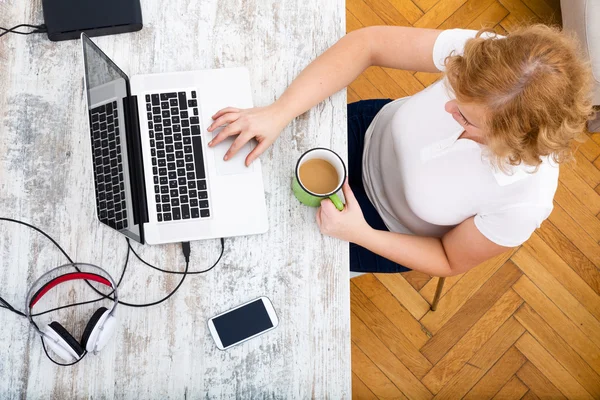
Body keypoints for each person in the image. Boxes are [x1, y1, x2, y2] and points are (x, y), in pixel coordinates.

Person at [205, 25, 594, 277]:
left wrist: (359, 234)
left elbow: (448, 259)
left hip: (384, 229)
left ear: (513, 141)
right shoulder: (490, 58)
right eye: (454, 94)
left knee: (264, 266)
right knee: (227, 189)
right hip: (366, 133)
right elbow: (368, 44)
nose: (447, 109)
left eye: (465, 118)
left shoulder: (525, 200)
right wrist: (279, 112)